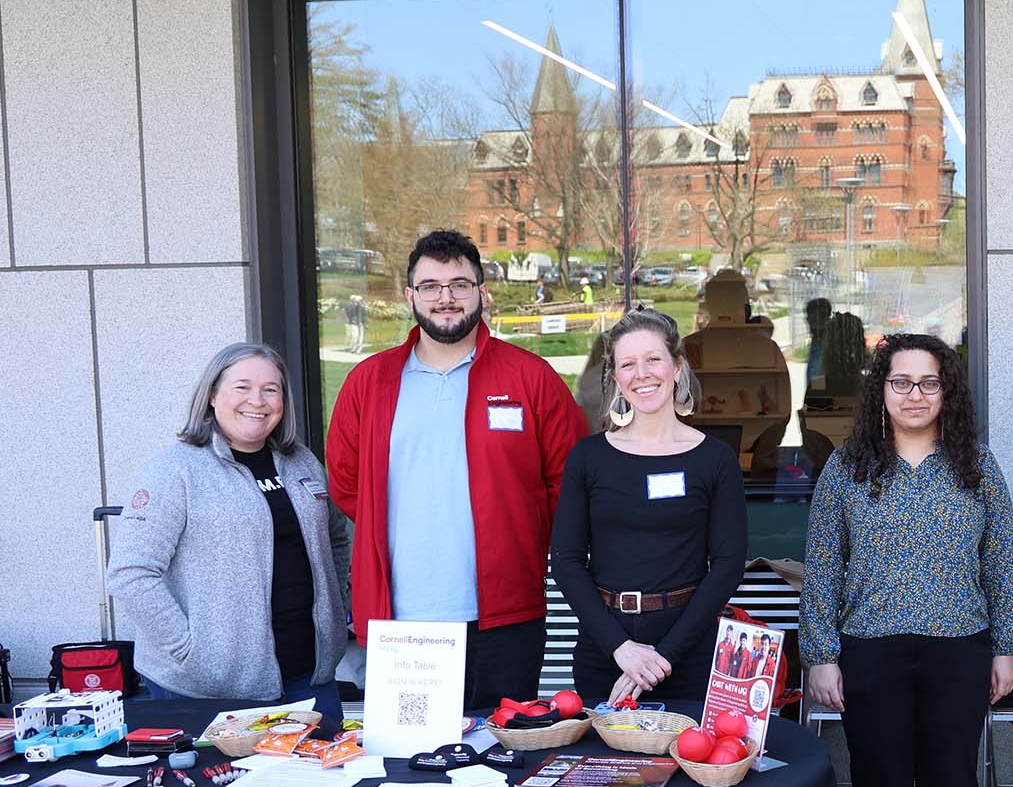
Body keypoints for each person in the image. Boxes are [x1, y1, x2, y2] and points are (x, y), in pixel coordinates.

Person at [803, 333, 1013, 787]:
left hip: (959, 650)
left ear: (947, 392)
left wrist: (1006, 646)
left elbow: (1002, 562)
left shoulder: (975, 466)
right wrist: (820, 654)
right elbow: (821, 566)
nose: (915, 394)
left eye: (929, 382)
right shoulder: (847, 468)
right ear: (881, 390)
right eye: (901, 381)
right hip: (871, 652)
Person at [326, 229, 586, 709]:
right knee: (409, 761)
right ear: (411, 296)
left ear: (481, 291)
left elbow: (569, 484)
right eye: (431, 286)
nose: (446, 298)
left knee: (505, 755)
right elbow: (346, 485)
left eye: (459, 284)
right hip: (400, 616)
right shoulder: (369, 382)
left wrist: (517, 536)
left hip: (504, 615)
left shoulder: (531, 378)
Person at [108, 343, 347, 722]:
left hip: (310, 677)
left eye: (271, 389)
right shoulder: (176, 470)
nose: (258, 400)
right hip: (211, 688)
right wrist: (192, 649)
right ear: (213, 395)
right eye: (242, 387)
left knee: (326, 778)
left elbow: (335, 539)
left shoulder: (302, 461)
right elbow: (131, 573)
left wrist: (340, 608)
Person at [550, 308, 746, 707]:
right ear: (616, 377)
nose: (642, 373)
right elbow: (566, 559)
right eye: (628, 364)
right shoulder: (589, 457)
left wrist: (664, 656)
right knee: (606, 768)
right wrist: (620, 647)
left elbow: (727, 565)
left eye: (653, 359)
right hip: (605, 651)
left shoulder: (715, 459)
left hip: (688, 651)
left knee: (688, 766)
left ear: (676, 367)